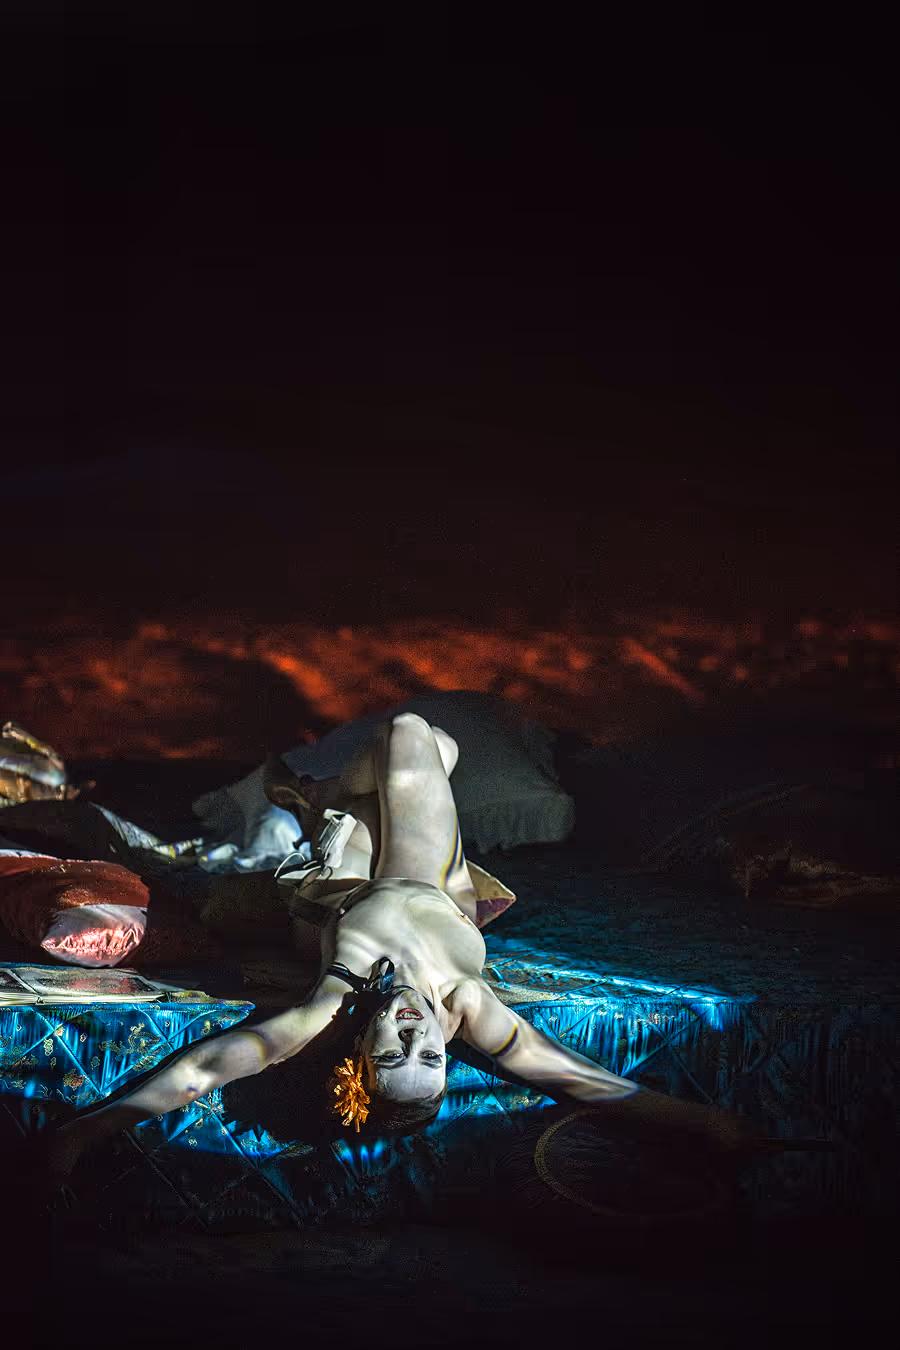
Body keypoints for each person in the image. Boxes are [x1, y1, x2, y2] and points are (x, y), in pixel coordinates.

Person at [31, 713, 800, 1190]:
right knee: (429, 742)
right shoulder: (475, 1012)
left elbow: (207, 1066)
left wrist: (82, 1134)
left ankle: (315, 791)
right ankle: (316, 794)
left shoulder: (331, 1002)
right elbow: (590, 1084)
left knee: (404, 744)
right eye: (428, 1057)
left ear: (359, 1052)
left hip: (339, 893)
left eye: (390, 1053)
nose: (410, 1036)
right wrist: (708, 1127)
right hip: (439, 885)